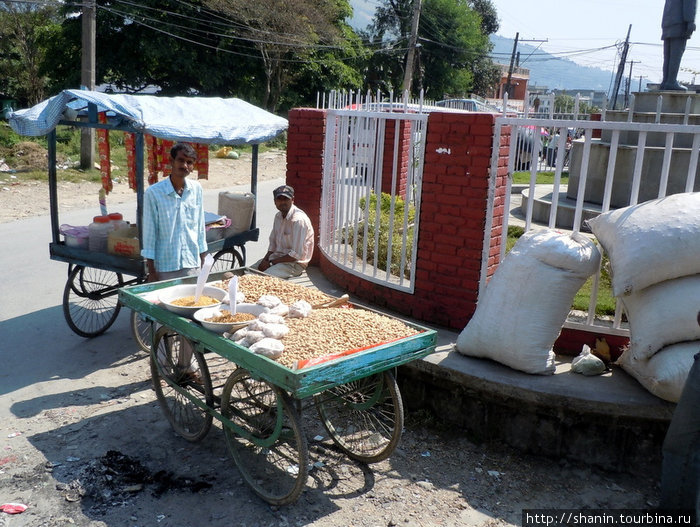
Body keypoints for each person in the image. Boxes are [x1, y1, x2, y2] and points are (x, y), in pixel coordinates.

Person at [141, 142, 208, 282]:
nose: (184, 166)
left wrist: (203, 262)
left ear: (192, 166)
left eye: (189, 162)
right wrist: (151, 272)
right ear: (171, 161)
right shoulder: (154, 193)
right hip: (165, 267)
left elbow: (200, 228)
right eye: (181, 160)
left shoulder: (196, 189)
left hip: (192, 264)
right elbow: (149, 235)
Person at [253, 184, 314, 279]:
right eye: (279, 199)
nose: (283, 202)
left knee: (263, 279)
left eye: (286, 199)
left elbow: (296, 255)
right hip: (277, 258)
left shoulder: (298, 220)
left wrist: (270, 263)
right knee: (248, 272)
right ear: (275, 202)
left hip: (294, 264)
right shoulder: (278, 217)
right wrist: (265, 260)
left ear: (292, 200)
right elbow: (273, 244)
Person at [660, 0, 697, 91]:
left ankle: (666, 81)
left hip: (668, 23)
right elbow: (689, 3)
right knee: (675, 55)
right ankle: (671, 81)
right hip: (680, 23)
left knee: (668, 56)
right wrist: (690, 21)